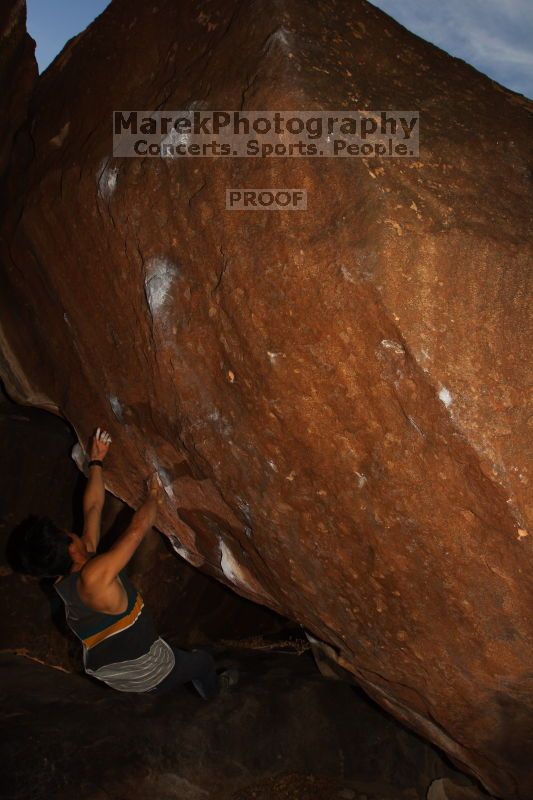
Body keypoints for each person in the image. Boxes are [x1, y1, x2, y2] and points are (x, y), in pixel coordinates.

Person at [10, 427, 236, 698]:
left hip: (114, 665)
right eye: (66, 533)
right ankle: (214, 695)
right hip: (142, 672)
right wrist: (154, 494)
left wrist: (97, 461)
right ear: (71, 548)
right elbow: (136, 531)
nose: (72, 532)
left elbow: (92, 509)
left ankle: (188, 662)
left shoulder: (72, 572)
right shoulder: (94, 577)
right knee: (202, 663)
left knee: (187, 653)